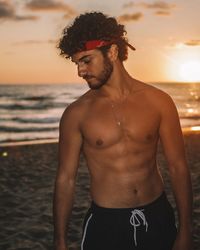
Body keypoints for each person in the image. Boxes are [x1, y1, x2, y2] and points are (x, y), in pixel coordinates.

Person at [53, 12, 193, 250]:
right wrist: (60, 241)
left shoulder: (159, 102)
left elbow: (178, 166)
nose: (80, 71)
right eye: (77, 63)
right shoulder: (76, 114)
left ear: (113, 52)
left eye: (86, 60)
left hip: (158, 216)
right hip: (107, 224)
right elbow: (65, 179)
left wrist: (186, 232)